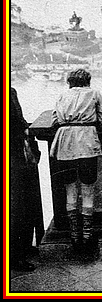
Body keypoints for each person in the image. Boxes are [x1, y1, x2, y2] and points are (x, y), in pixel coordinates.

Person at [50, 69, 102, 253]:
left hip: (64, 144)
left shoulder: (62, 95)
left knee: (70, 190)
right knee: (88, 190)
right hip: (87, 143)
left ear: (69, 82)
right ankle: (87, 235)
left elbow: (55, 120)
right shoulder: (94, 94)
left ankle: (74, 236)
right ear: (88, 81)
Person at [10, 87, 42, 272]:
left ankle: (19, 250)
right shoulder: (9, 91)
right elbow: (17, 122)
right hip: (13, 157)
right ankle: (17, 255)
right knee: (18, 209)